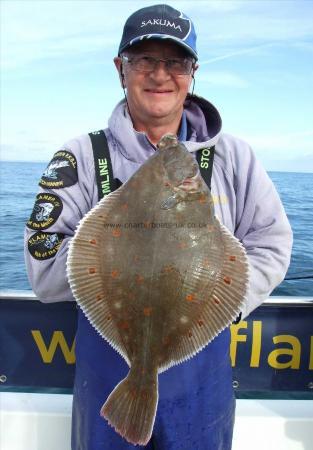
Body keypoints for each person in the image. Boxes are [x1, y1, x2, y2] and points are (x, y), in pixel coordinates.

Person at [24, 4, 292, 450]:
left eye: (176, 62)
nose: (160, 74)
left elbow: (272, 244)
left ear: (193, 73)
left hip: (202, 388)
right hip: (106, 376)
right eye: (144, 59)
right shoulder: (82, 156)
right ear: (121, 69)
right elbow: (43, 268)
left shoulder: (234, 157)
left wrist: (215, 303)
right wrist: (114, 255)